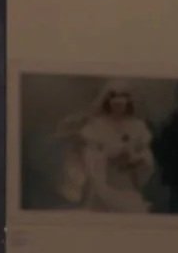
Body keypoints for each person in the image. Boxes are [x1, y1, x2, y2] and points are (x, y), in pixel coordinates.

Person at [53, 80, 156, 212]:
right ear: (108, 101)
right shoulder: (97, 126)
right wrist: (109, 157)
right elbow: (90, 155)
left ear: (129, 101)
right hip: (103, 184)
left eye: (123, 99)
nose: (118, 104)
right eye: (114, 99)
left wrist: (135, 159)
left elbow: (146, 154)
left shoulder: (138, 126)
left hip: (127, 184)